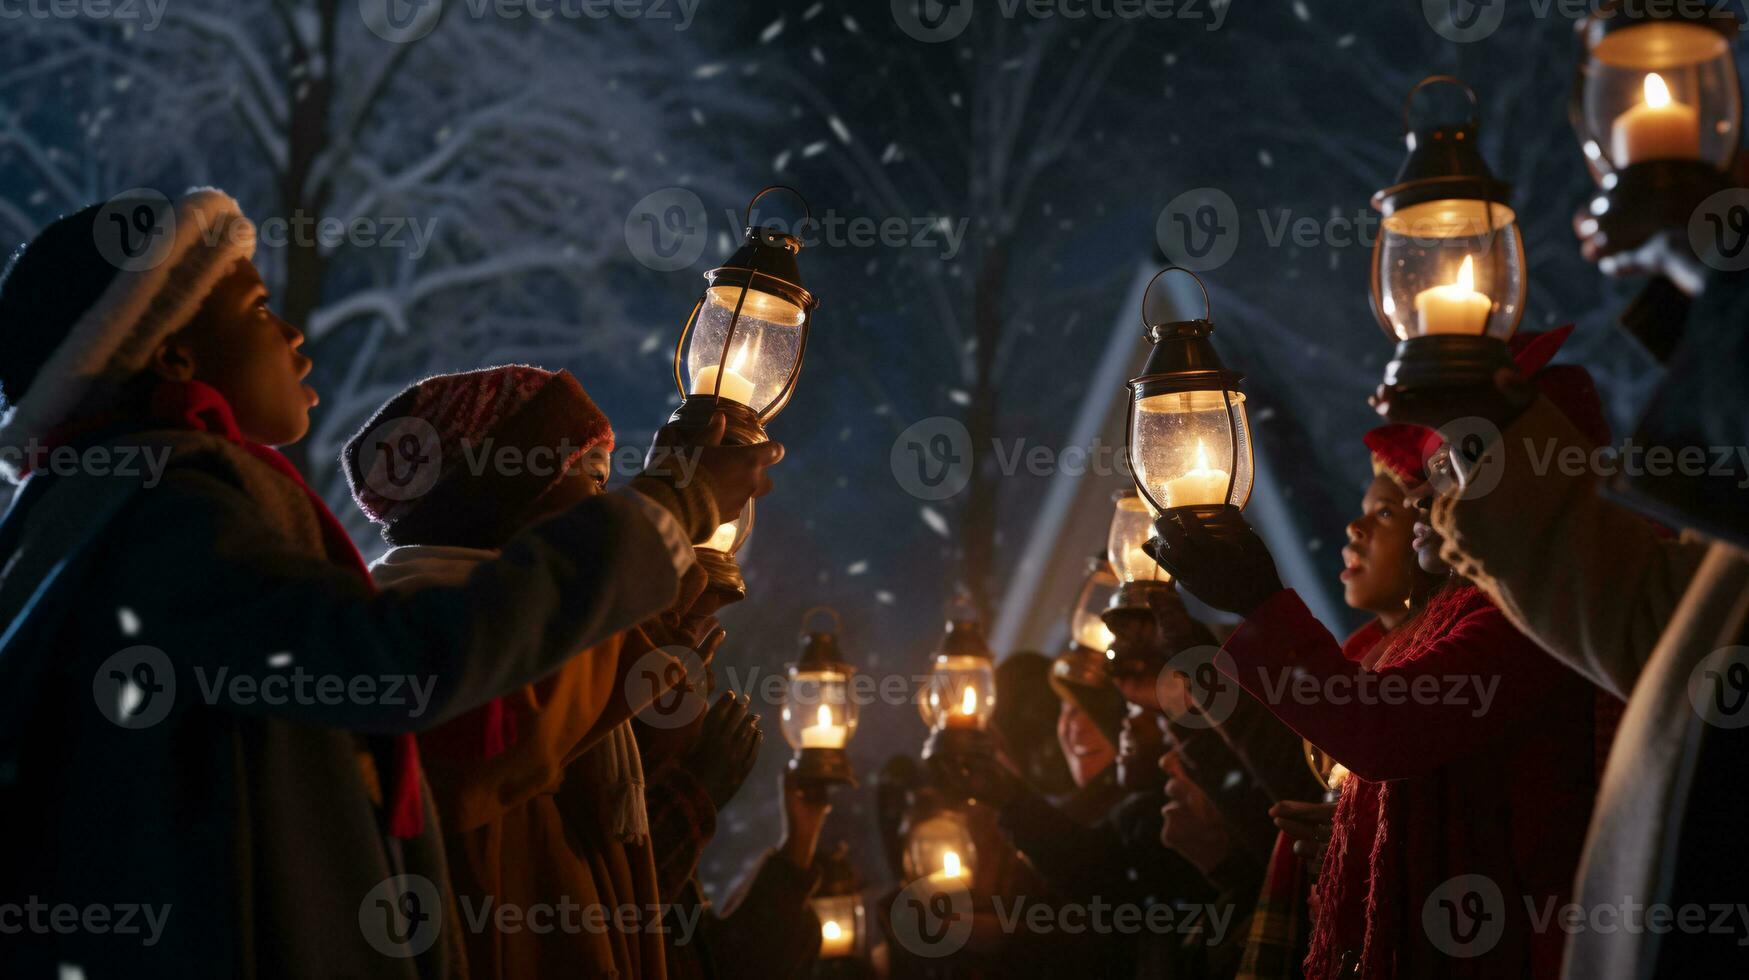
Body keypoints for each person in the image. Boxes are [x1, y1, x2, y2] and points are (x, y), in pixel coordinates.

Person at [0, 191, 780, 978]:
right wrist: (668, 509)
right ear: (173, 354)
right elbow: (404, 668)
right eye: (259, 306)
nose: (293, 332)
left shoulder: (106, 513)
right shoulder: (166, 507)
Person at [1150, 389, 1612, 978]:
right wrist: (1352, 826)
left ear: (1526, 486)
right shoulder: (1450, 621)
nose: (1421, 499)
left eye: (1449, 474)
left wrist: (1259, 603)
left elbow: (1386, 727)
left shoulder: (1532, 615)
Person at [1386, 231, 1749, 975]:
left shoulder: (1492, 627)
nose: (1407, 508)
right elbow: (1654, 626)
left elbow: (1385, 729)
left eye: (1414, 488)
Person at [340, 364, 734, 979]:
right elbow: (516, 738)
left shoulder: (504, 641)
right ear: (512, 494)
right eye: (592, 480)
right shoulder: (422, 638)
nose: (603, 508)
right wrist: (670, 510)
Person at [1233, 461, 1439, 980]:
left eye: (1386, 512)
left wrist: (1363, 837)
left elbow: (1381, 740)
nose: (1354, 528)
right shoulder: (1357, 659)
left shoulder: (1447, 661)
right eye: (1362, 510)